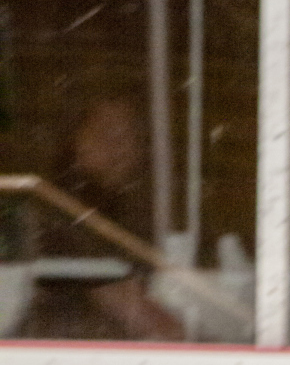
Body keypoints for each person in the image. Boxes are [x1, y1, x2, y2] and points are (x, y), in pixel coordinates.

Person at [16, 97, 183, 341]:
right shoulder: (68, 207)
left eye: (129, 136)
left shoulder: (120, 206)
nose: (119, 146)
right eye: (105, 133)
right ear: (76, 142)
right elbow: (131, 309)